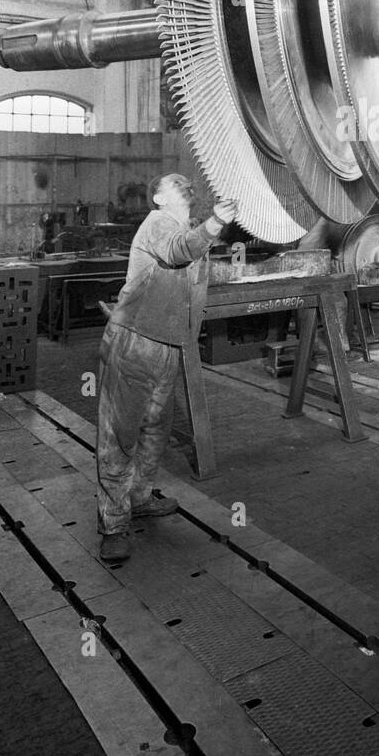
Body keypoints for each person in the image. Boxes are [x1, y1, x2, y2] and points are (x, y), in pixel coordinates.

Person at [96, 173, 237, 563]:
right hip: (136, 340)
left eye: (186, 181)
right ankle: (113, 524)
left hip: (169, 344)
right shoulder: (159, 224)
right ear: (159, 196)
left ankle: (139, 499)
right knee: (120, 433)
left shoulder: (187, 229)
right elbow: (178, 252)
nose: (183, 183)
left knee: (155, 428)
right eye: (173, 182)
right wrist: (216, 223)